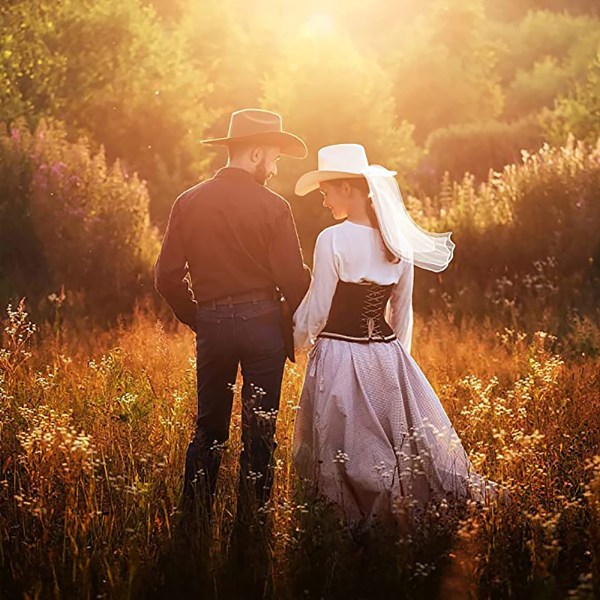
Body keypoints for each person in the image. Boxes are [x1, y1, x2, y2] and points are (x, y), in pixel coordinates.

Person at [292, 143, 493, 524]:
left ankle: (349, 520)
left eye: (326, 191)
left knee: (344, 445)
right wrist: (398, 361)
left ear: (348, 189)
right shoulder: (397, 243)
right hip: (387, 356)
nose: (323, 200)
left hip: (339, 354)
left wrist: (293, 342)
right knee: (394, 442)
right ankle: (392, 517)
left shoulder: (331, 239)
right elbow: (402, 311)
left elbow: (317, 310)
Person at [154, 108, 311, 517]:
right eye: (274, 157)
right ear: (257, 153)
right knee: (260, 428)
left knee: (209, 428)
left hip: (213, 325)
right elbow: (294, 280)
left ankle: (194, 520)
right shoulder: (275, 207)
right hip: (262, 328)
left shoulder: (188, 202)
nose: (275, 167)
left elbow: (165, 277)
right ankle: (253, 521)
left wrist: (200, 316)